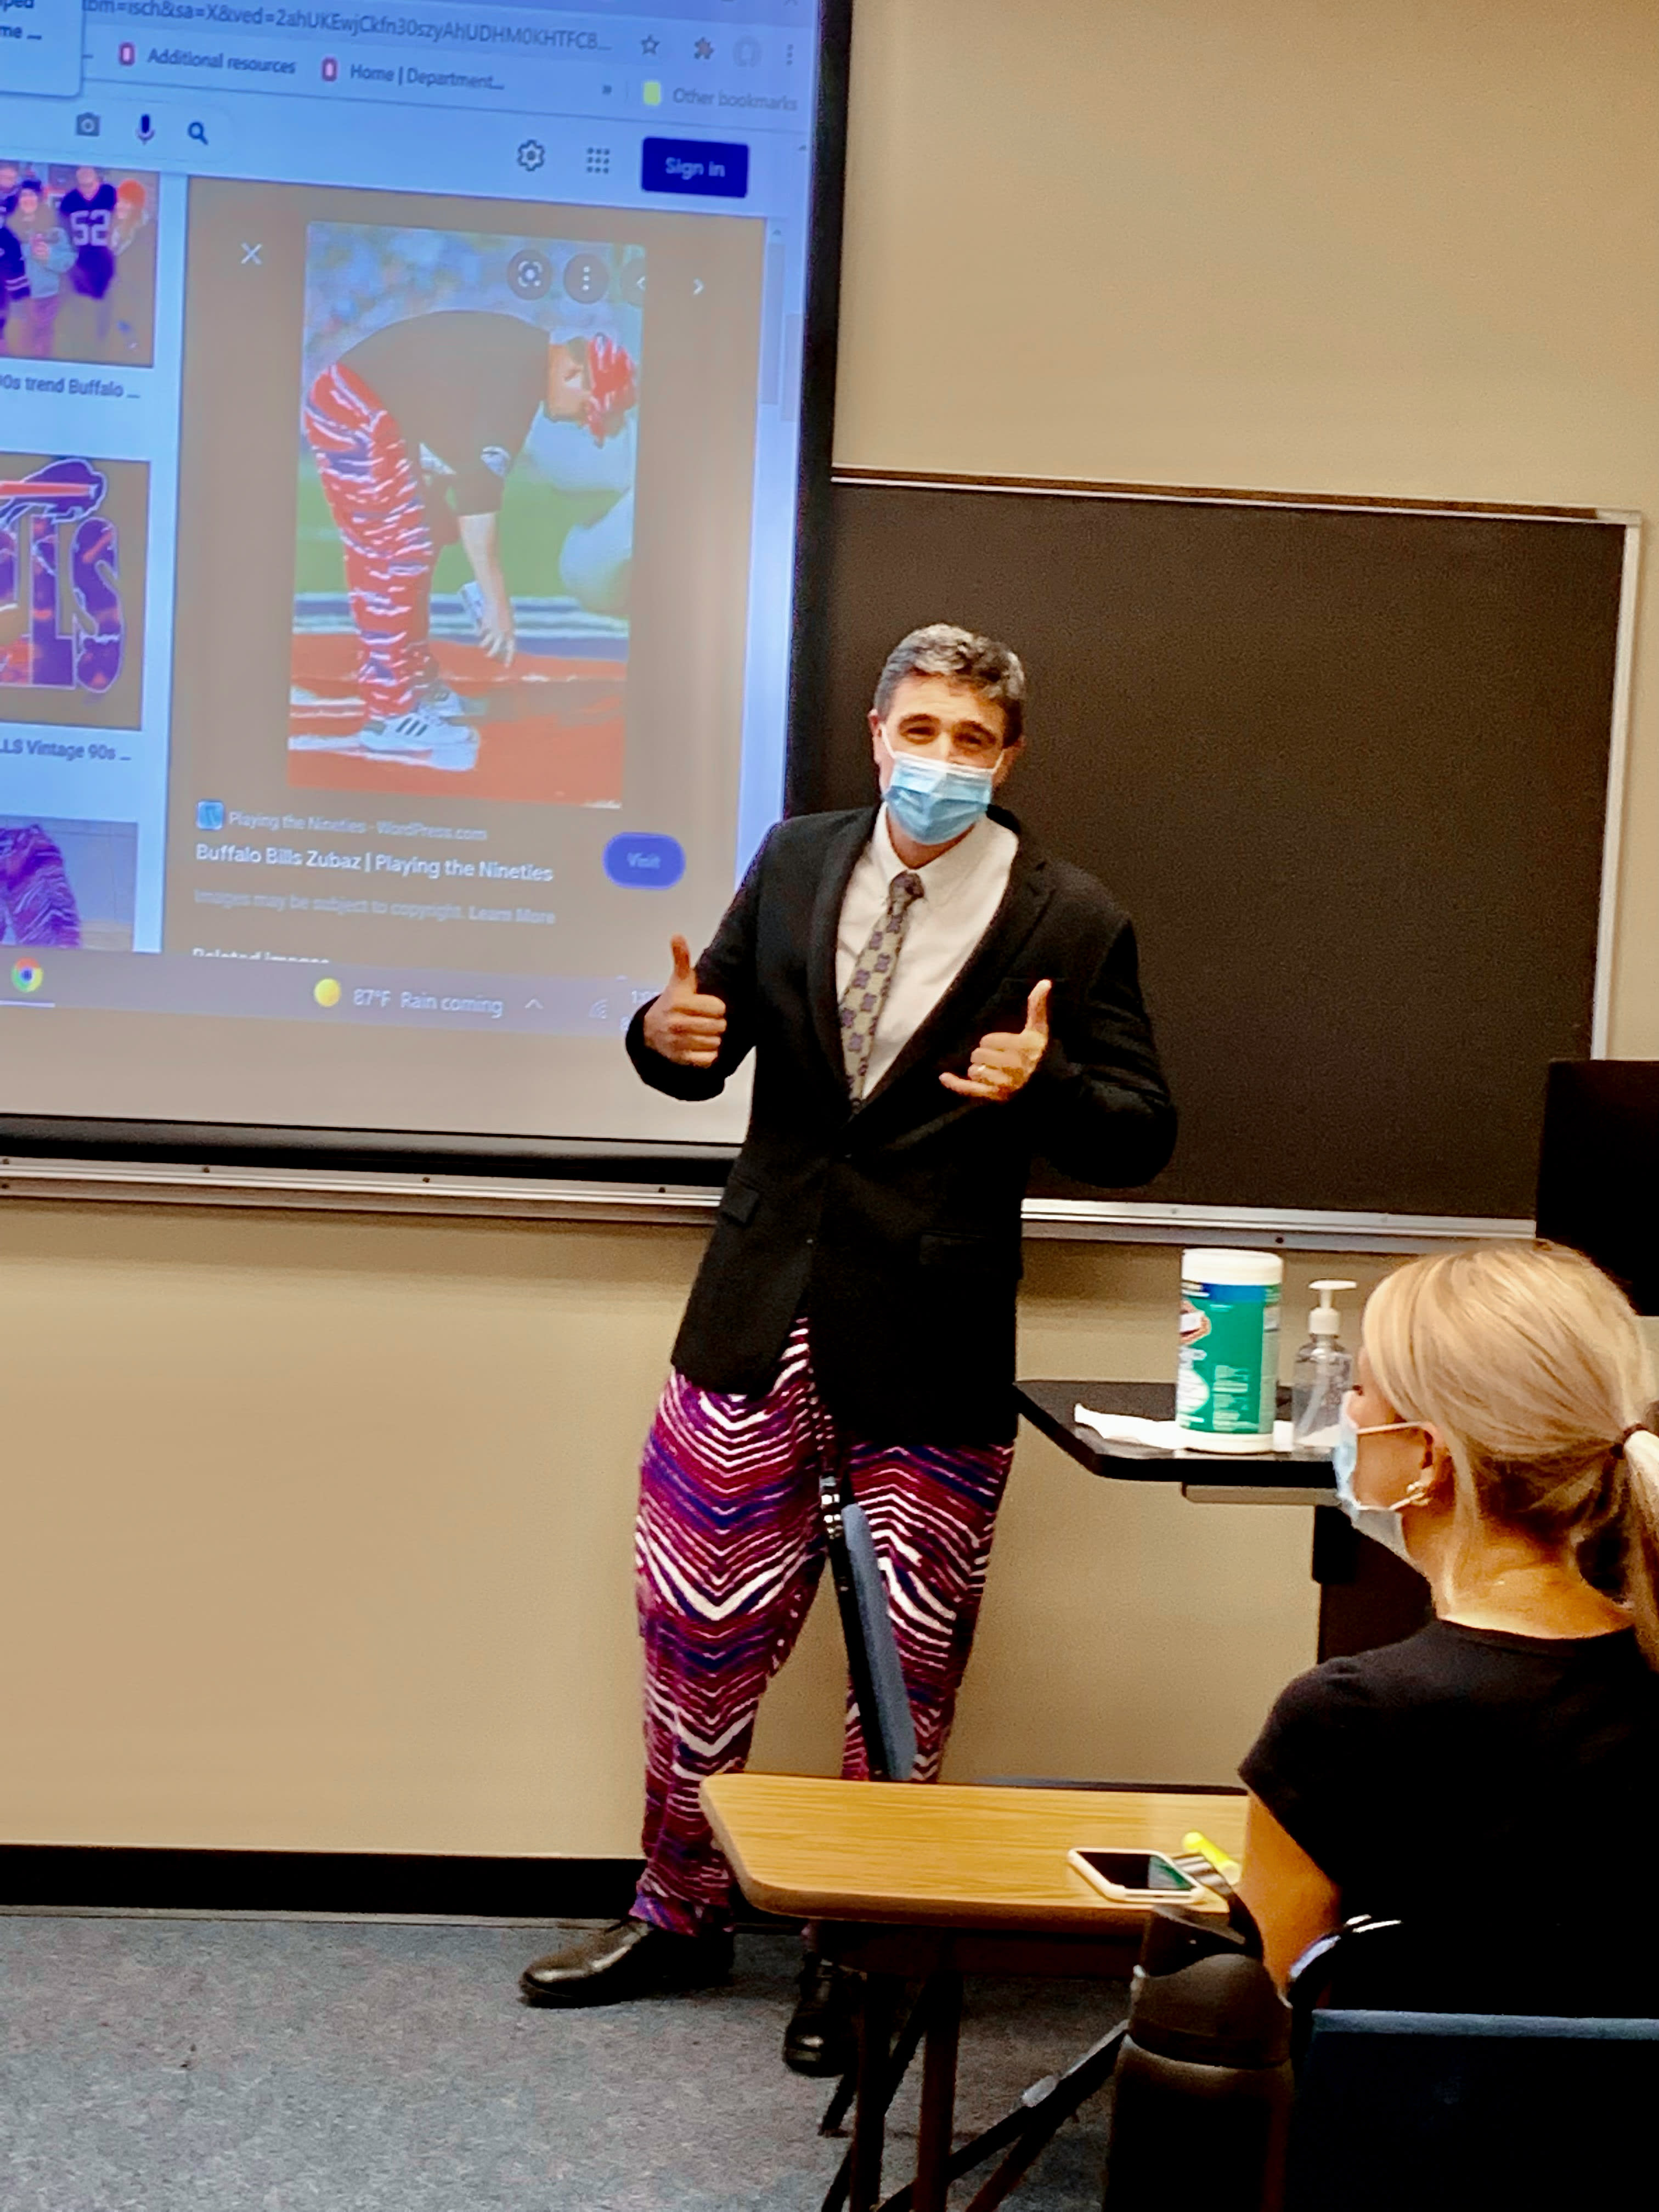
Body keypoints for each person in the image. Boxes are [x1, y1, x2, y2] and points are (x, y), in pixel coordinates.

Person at [520, 624, 1177, 2069]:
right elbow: (712, 1030)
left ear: (1009, 759)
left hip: (931, 1349)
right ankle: (680, 1915)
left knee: (903, 1669)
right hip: (759, 1317)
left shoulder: (1071, 915)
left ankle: (859, 1949)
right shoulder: (801, 856)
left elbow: (1141, 1129)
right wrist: (660, 1032)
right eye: (920, 729)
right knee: (695, 1636)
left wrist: (1044, 1080)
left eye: (972, 740)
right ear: (877, 731)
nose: (940, 760)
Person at [1236, 1239, 1659, 2014]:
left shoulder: (1345, 1721)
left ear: (1426, 1456)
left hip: (1403, 2132)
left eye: (1359, 1392)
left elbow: (1268, 2032)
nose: (1342, 1417)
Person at [300, 310, 636, 769]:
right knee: (394, 554)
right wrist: (497, 602)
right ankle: (389, 714)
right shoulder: (517, 378)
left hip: (376, 410)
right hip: (357, 407)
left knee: (421, 540)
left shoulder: (520, 360)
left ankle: (412, 681)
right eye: (587, 408)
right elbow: (478, 498)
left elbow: (456, 456)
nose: (582, 421)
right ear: (573, 373)